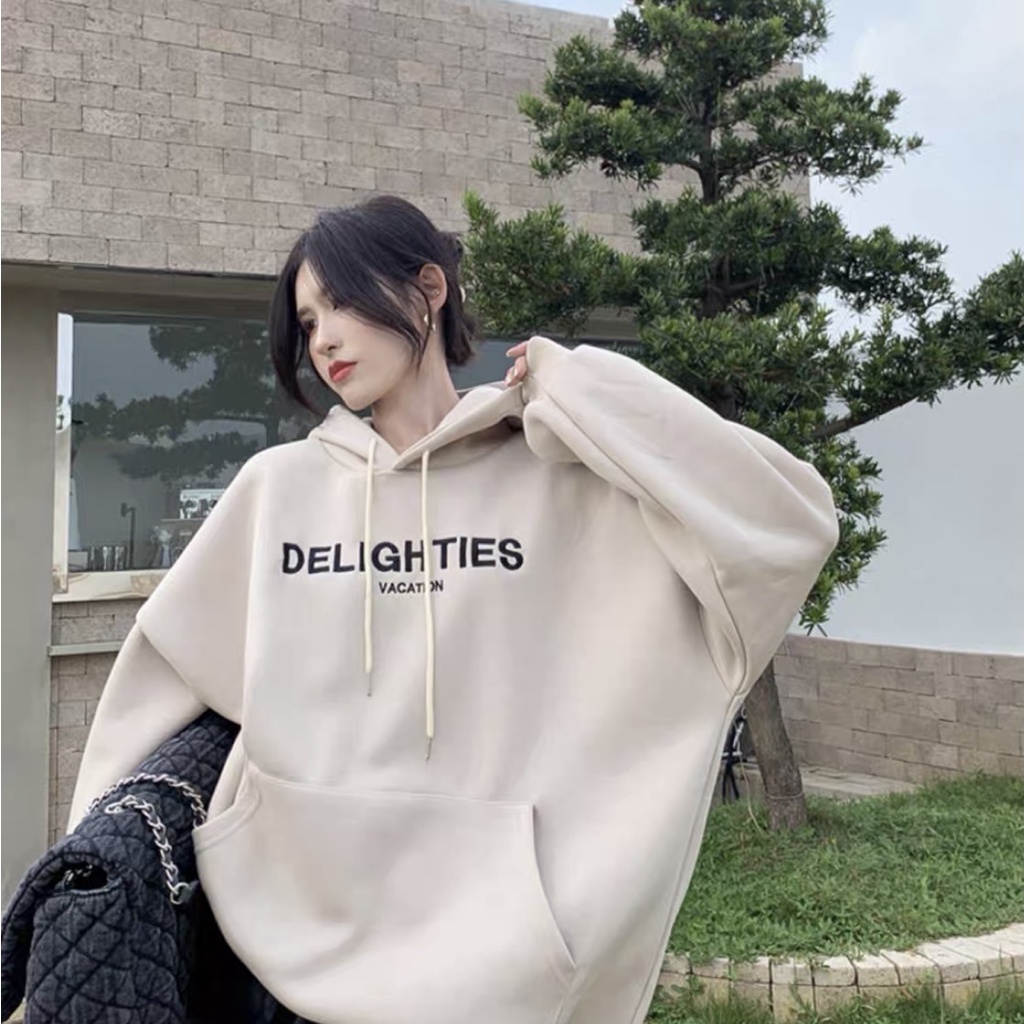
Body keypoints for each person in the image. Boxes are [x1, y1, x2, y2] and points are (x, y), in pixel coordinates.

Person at [69, 195, 839, 1024]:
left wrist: (583, 391)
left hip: (503, 964)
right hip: (279, 949)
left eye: (340, 303)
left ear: (428, 288)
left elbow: (789, 524)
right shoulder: (278, 489)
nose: (322, 339)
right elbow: (160, 678)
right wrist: (86, 874)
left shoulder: (560, 481)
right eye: (308, 321)